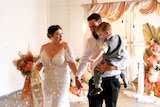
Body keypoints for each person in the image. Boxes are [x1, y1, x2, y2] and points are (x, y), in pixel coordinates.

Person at [75, 13, 131, 107]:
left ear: (100, 23)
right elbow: (85, 60)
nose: (92, 29)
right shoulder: (89, 41)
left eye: (94, 26)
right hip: (95, 81)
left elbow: (127, 61)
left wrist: (111, 68)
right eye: (90, 27)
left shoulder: (115, 40)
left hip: (112, 81)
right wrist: (77, 76)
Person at [37, 25, 82, 107]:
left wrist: (77, 78)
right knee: (48, 103)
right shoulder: (43, 47)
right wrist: (28, 71)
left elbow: (72, 64)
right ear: (51, 35)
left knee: (57, 104)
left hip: (61, 80)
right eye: (58, 34)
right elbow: (39, 65)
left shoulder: (66, 46)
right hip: (47, 81)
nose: (61, 36)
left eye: (62, 33)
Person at [88, 22, 126, 96]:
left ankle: (97, 86)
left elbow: (102, 50)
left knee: (97, 69)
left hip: (110, 63)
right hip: (119, 59)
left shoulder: (107, 42)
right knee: (122, 69)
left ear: (107, 33)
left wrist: (94, 59)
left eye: (101, 35)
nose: (100, 37)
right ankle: (125, 79)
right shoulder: (119, 38)